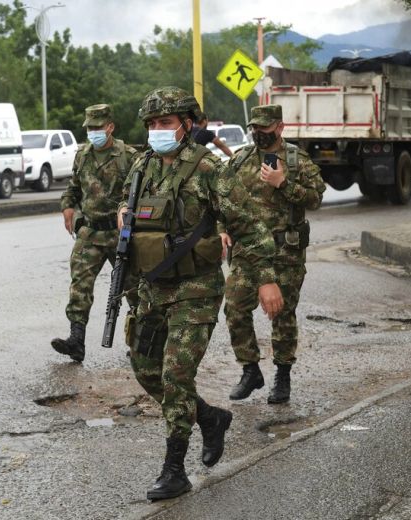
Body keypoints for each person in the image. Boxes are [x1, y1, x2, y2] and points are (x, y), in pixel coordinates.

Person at [118, 86, 283, 501]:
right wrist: (123, 213)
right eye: (152, 123)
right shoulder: (141, 165)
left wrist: (266, 278)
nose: (157, 130)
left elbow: (249, 224)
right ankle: (209, 418)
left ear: (186, 124)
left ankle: (174, 470)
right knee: (146, 369)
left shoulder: (208, 168)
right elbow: (127, 203)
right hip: (151, 287)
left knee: (175, 375)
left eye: (166, 122)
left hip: (196, 289)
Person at [224, 104, 326, 404]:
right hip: (247, 250)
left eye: (264, 128)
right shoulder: (241, 159)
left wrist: (283, 184)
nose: (259, 133)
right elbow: (222, 198)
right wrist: (221, 229)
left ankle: (283, 374)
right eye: (254, 128)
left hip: (285, 251)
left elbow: (316, 198)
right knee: (235, 307)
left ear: (279, 128)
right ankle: (250, 369)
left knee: (282, 313)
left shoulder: (296, 160)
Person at [50, 104, 139, 362]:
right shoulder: (82, 155)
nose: (93, 132)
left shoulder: (128, 156)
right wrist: (67, 206)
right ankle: (76, 340)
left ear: (110, 127)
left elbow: (141, 192)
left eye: (98, 127)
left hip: (120, 234)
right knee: (80, 285)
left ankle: (141, 342)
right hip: (90, 233)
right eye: (89, 127)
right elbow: (74, 187)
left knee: (133, 288)